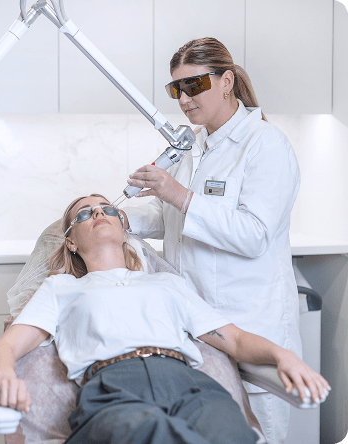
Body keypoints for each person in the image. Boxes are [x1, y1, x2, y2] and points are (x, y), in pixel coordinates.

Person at [0, 194, 329, 444]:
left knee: (230, 433)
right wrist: (3, 376)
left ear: (124, 230)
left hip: (190, 386)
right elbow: (6, 347)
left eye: (108, 208)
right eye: (84, 213)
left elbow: (235, 340)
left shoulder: (166, 283)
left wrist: (283, 355)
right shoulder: (60, 288)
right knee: (147, 432)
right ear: (70, 242)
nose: (99, 212)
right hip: (114, 391)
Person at [122, 37, 301, 443]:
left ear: (227, 81)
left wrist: (180, 195)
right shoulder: (194, 148)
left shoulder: (265, 144)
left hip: (252, 328)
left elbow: (254, 235)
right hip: (200, 331)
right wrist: (123, 219)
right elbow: (172, 217)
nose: (184, 99)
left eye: (194, 85)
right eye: (177, 89)